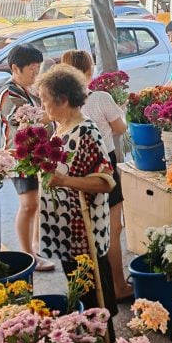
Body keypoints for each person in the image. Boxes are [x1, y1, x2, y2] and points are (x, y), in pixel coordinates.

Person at [36, 65, 118, 330]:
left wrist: (64, 181)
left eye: (45, 99)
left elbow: (105, 181)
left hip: (85, 235)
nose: (43, 105)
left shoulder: (86, 132)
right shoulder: (61, 129)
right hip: (66, 234)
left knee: (96, 302)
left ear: (62, 99)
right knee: (81, 296)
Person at [60, 50, 134, 301]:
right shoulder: (101, 98)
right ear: (89, 71)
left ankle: (93, 291)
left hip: (74, 169)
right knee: (112, 229)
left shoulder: (61, 103)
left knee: (86, 229)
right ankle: (119, 287)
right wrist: (119, 110)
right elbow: (120, 128)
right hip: (104, 167)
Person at [0, 44, 56, 272]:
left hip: (35, 155)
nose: (36, 73)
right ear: (15, 68)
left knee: (36, 203)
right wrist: (55, 110)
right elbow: (23, 119)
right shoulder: (8, 93)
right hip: (19, 156)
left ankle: (34, 248)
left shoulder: (28, 90)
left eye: (38, 68)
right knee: (28, 204)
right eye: (32, 68)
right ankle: (28, 256)